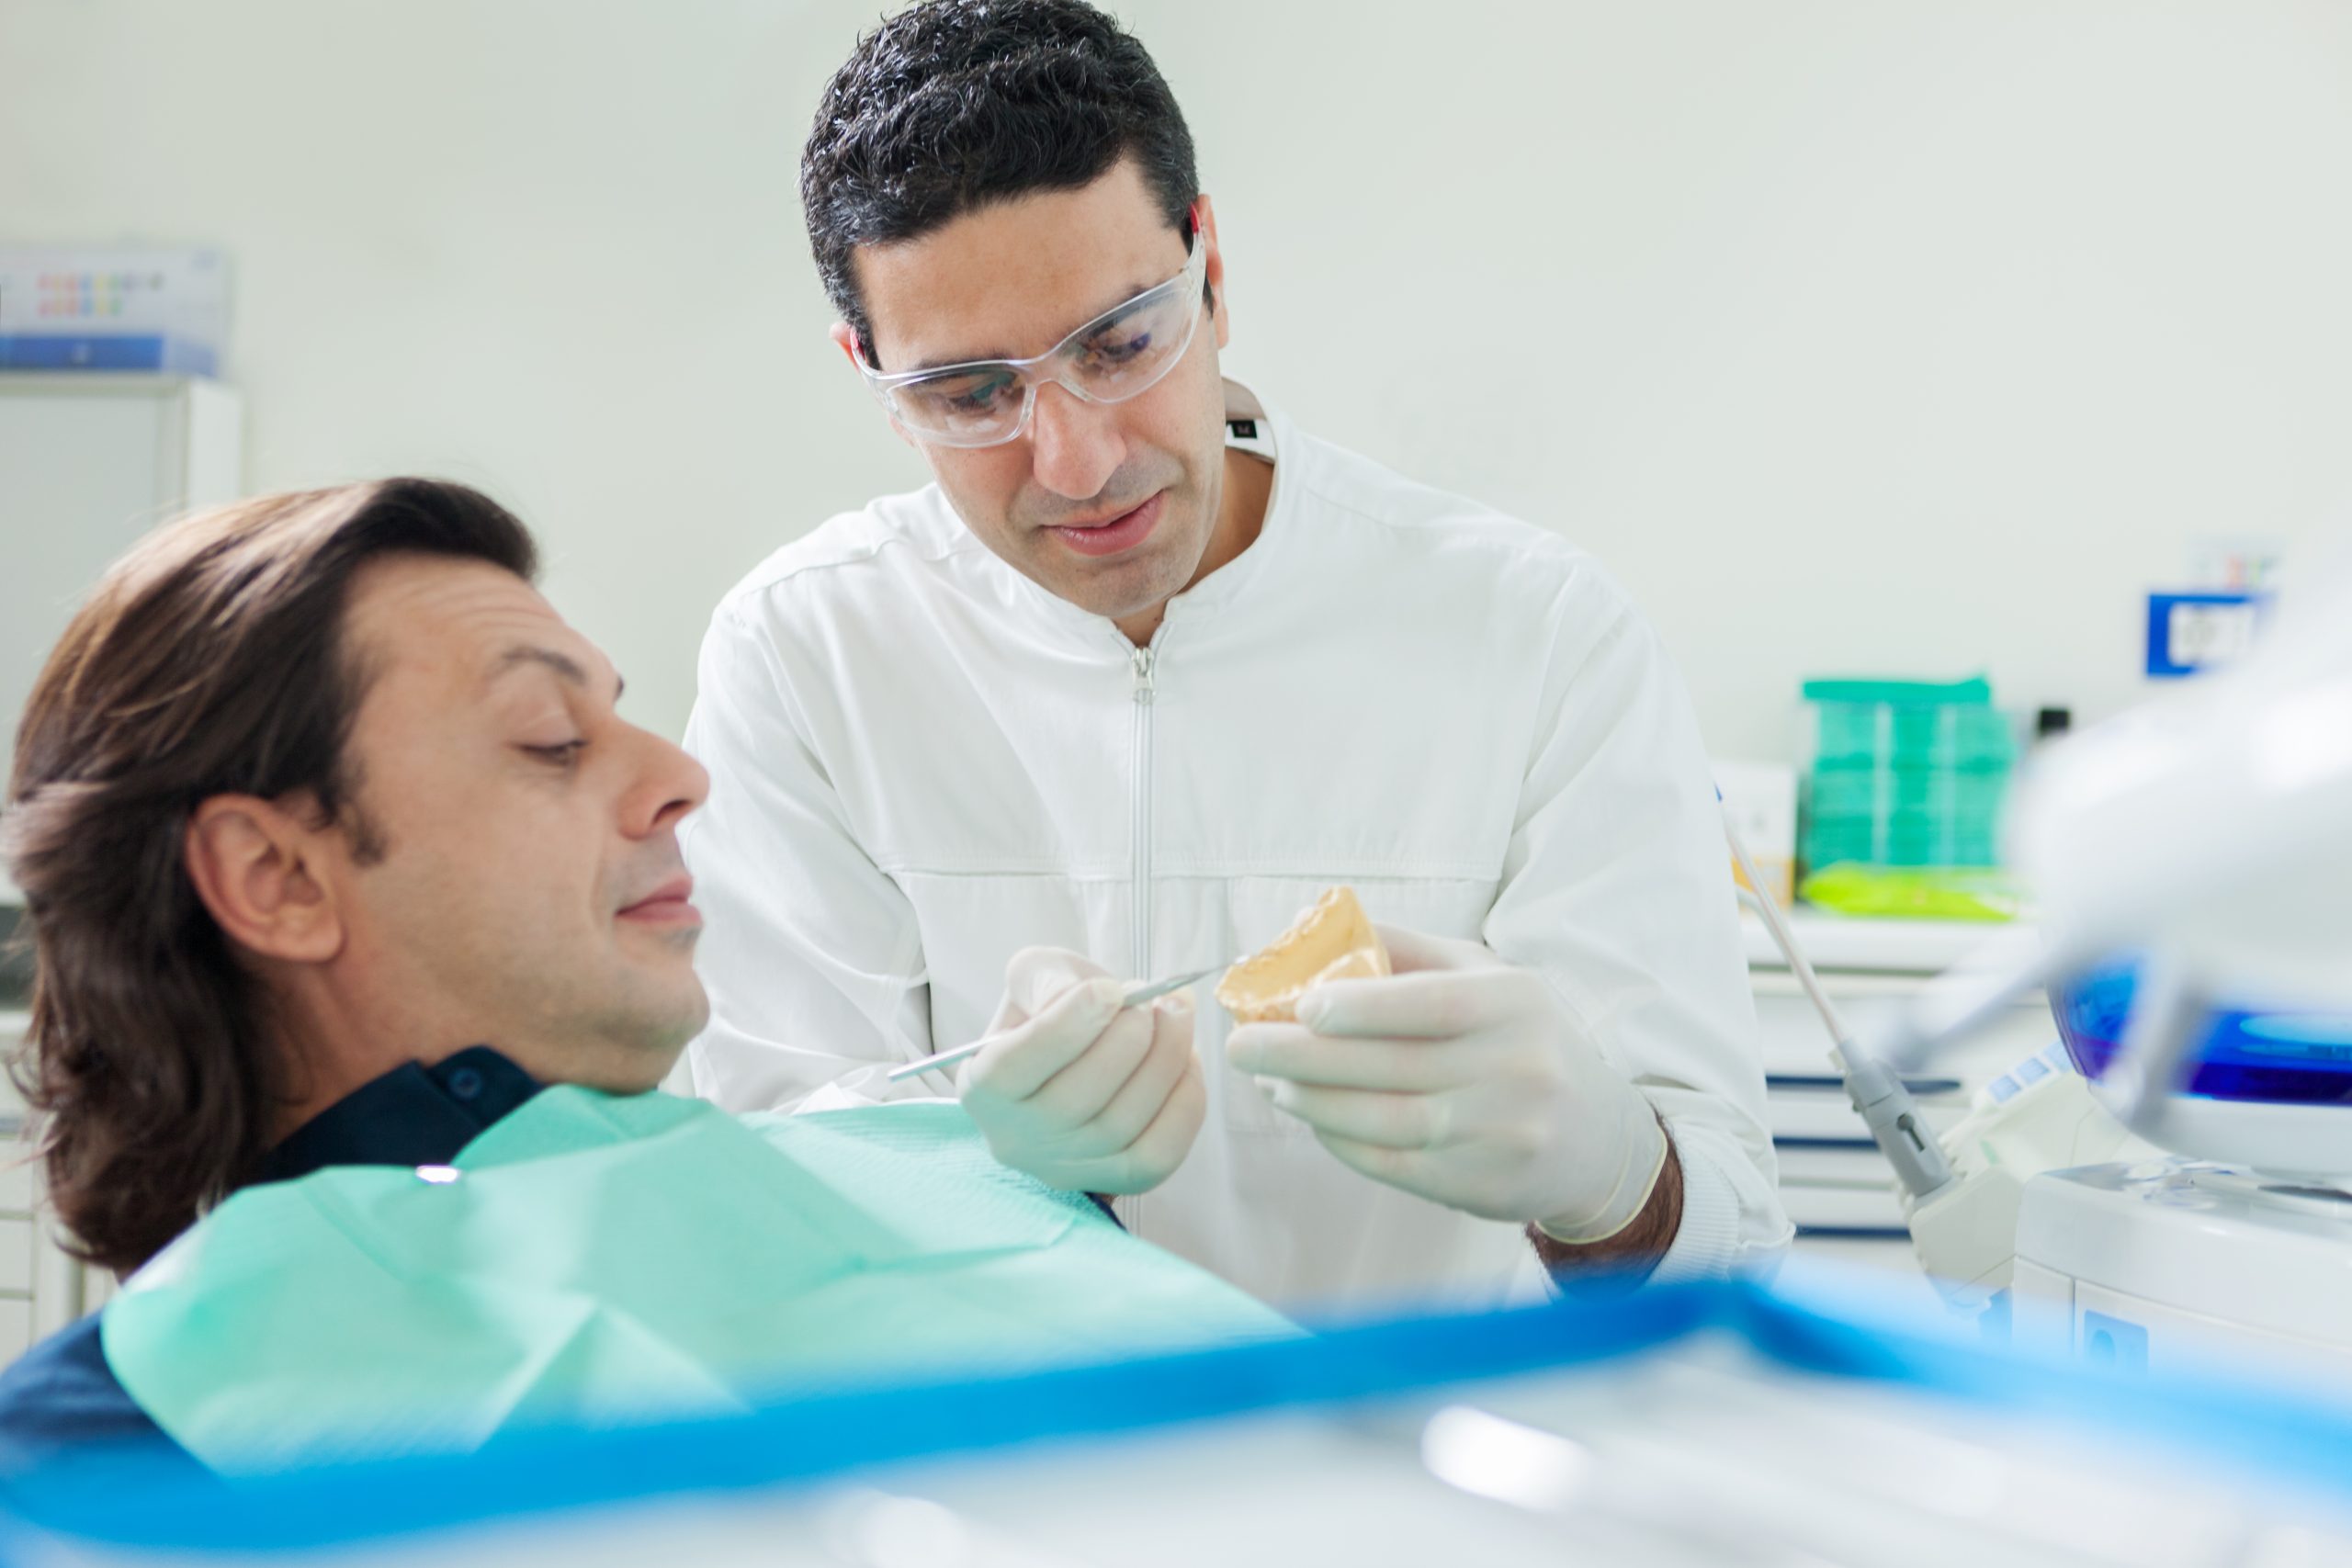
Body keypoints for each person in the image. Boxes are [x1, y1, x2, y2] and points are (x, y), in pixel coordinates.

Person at [679, 0, 1790, 1311]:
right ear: (870, 373)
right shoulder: (808, 655)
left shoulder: (1536, 635)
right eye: (973, 394)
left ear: (1209, 269)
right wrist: (976, 1168)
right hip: (1010, 1479)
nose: (1078, 462)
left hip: (1441, 1476)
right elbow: (773, 1222)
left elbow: (1733, 1248)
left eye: (1121, 341)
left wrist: (1609, 1178)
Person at [0, 479, 1282, 1473]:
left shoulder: (922, 1162)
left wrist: (1052, 1185)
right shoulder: (121, 1441)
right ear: (277, 877)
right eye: (553, 741)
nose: (680, 776)